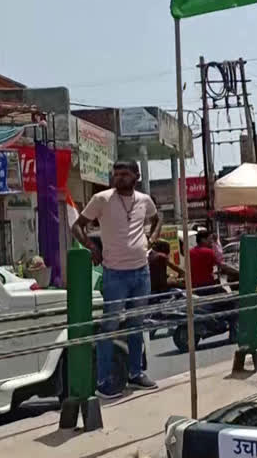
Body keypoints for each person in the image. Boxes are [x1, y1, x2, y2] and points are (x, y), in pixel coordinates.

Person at [72, 160, 160, 398]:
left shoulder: (144, 200)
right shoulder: (102, 199)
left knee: (136, 324)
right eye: (116, 174)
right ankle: (103, 380)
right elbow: (77, 226)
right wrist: (92, 247)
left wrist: (150, 241)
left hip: (141, 272)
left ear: (136, 176)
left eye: (125, 174)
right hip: (114, 273)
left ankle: (135, 373)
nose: (119, 178)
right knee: (109, 326)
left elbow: (157, 220)